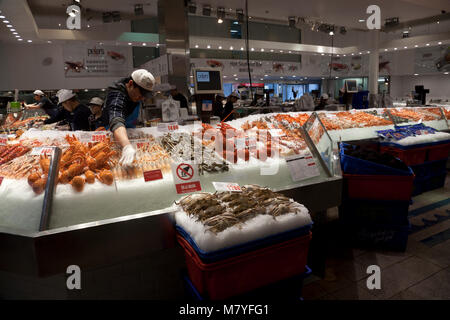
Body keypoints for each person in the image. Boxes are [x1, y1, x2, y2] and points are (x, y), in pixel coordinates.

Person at [105, 69, 155, 167]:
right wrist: (126, 146)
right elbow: (116, 118)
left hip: (129, 135)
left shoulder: (134, 94)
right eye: (141, 94)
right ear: (131, 83)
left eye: (145, 96)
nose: (142, 98)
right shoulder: (117, 95)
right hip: (113, 137)